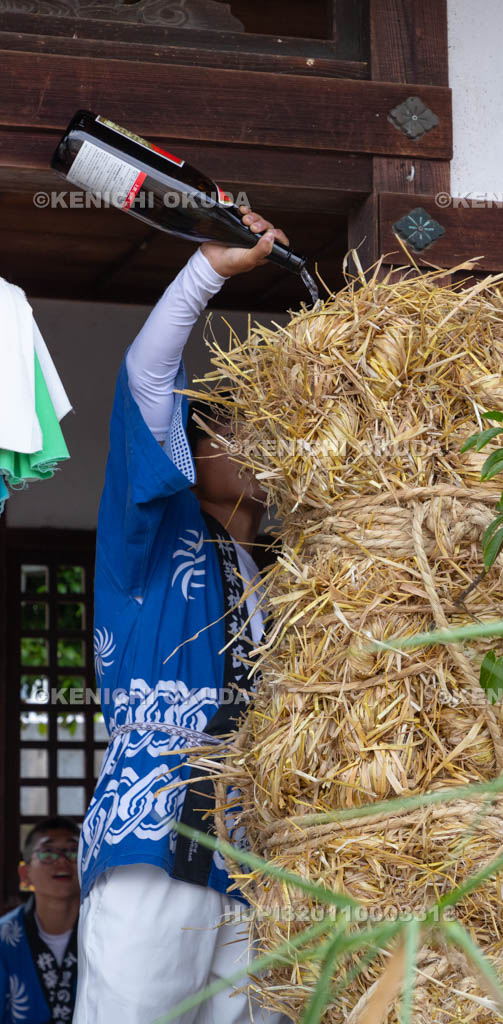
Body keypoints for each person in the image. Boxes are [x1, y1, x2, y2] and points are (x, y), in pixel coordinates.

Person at [73, 210, 292, 1024]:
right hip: (154, 833)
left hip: (254, 855)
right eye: (239, 433)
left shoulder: (283, 579)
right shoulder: (151, 535)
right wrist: (207, 273)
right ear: (187, 455)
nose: (261, 449)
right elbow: (144, 381)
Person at [0, 816, 80, 1023]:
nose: (62, 860)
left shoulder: (107, 933)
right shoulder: (3, 937)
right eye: (47, 853)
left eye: (73, 851)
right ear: (25, 873)